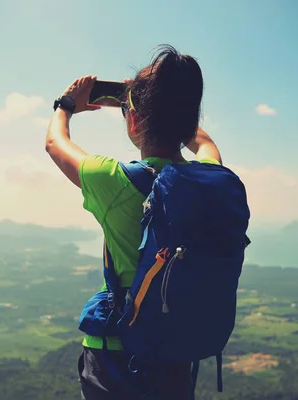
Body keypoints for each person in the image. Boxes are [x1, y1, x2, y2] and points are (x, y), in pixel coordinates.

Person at [45, 45, 224, 400]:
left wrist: (66, 104)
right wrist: (162, 105)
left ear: (132, 121)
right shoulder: (210, 178)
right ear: (188, 120)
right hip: (174, 349)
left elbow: (55, 142)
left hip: (114, 354)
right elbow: (203, 141)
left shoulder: (113, 180)